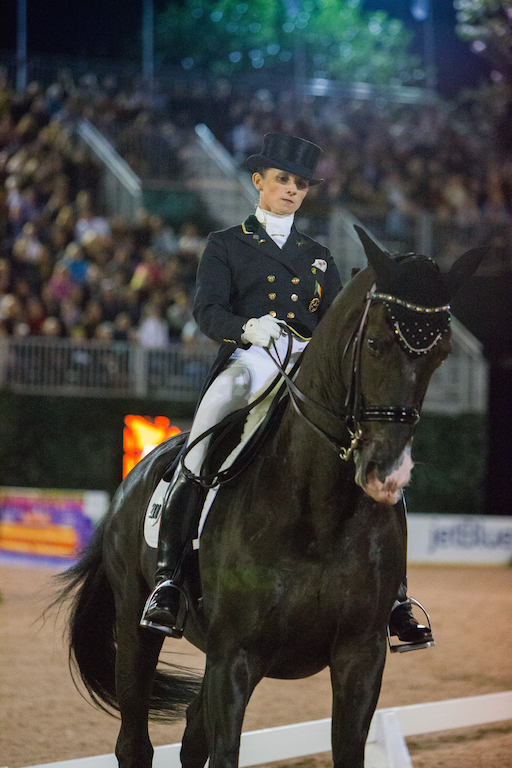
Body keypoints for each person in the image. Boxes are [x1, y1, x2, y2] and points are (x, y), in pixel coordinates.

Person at [140, 133, 432, 650]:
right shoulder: (226, 244)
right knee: (200, 443)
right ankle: (168, 580)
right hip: (250, 360)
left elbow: (335, 326)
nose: (292, 190)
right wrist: (247, 328)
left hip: (307, 367)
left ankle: (397, 599)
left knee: (383, 465)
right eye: (283, 180)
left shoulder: (318, 257)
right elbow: (207, 311)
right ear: (259, 181)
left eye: (300, 184)